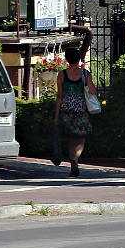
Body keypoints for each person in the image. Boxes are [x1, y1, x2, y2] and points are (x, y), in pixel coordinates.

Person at [54, 46, 97, 177]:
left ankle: (72, 158)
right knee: (81, 138)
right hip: (81, 109)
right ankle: (76, 159)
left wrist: (56, 115)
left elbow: (59, 95)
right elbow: (92, 91)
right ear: (79, 59)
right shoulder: (84, 74)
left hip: (66, 109)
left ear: (66, 59)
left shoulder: (62, 74)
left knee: (71, 138)